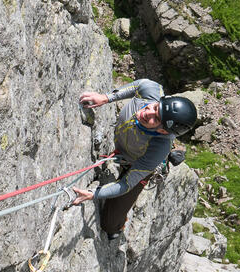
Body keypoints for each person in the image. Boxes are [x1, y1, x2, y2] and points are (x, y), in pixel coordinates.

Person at [71, 79, 198, 240]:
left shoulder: (158, 147)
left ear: (164, 132)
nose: (148, 112)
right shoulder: (150, 90)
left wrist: (93, 194)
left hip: (138, 166)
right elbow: (138, 85)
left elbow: (126, 184)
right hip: (125, 150)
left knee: (109, 226)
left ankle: (119, 224)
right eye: (155, 107)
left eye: (156, 119)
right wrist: (106, 98)